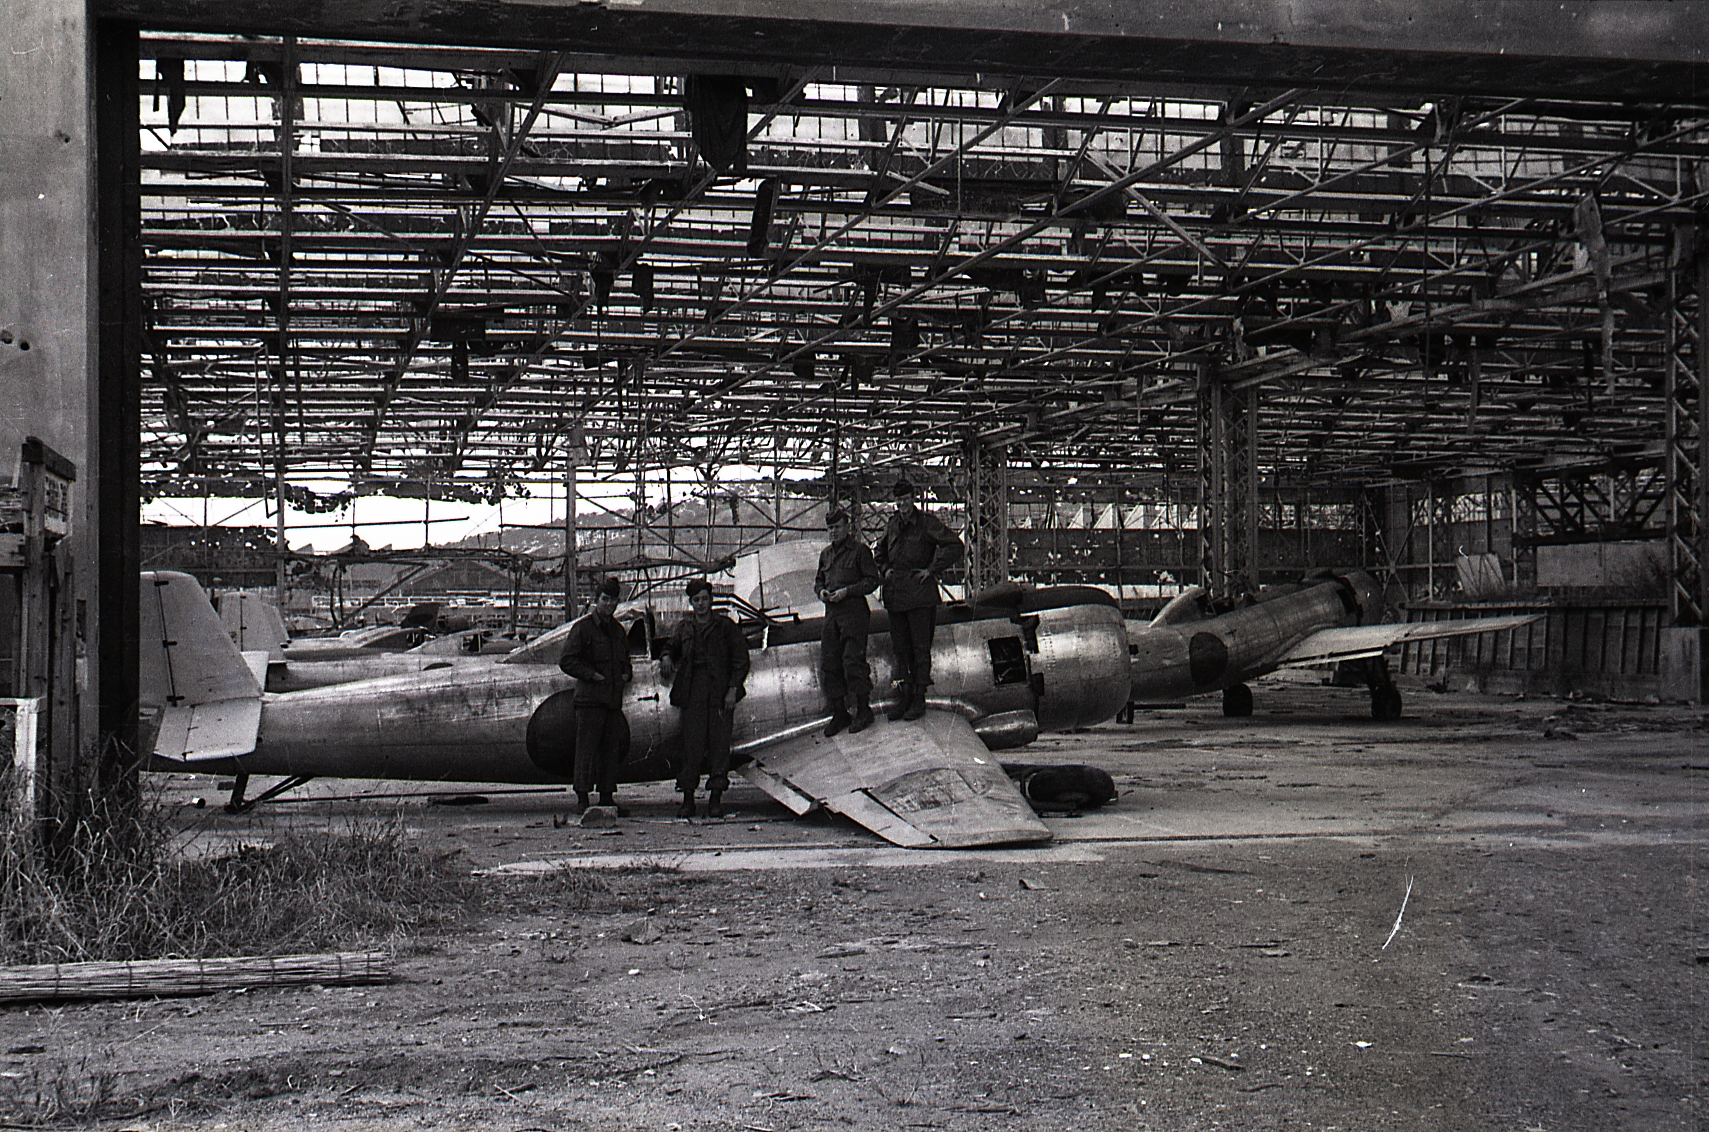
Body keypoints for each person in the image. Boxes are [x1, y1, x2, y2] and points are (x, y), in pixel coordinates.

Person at [874, 476, 964, 721]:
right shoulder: (892, 525)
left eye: (905, 499)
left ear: (913, 499)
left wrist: (932, 570)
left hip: (920, 595)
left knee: (920, 649)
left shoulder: (926, 523)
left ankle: (918, 698)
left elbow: (955, 545)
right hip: (895, 596)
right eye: (898, 500)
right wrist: (885, 570)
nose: (902, 504)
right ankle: (905, 697)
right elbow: (879, 552)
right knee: (900, 650)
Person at [662, 578, 751, 818]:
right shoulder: (685, 628)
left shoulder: (725, 627)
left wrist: (733, 689)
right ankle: (688, 799)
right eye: (696, 600)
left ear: (711, 600)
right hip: (693, 693)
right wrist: (667, 656)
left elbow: (741, 659)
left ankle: (715, 799)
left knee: (719, 747)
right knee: (691, 747)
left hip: (720, 693)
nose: (701, 604)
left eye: (704, 599)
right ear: (691, 603)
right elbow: (671, 646)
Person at [557, 576, 633, 814]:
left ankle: (607, 798)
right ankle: (582, 798)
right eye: (605, 599)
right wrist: (592, 676)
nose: (609, 604)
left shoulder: (618, 631)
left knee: (610, 751)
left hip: (611, 701)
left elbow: (625, 661)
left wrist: (626, 674)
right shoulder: (583, 628)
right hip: (589, 701)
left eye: (613, 601)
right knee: (586, 751)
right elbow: (567, 661)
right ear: (596, 601)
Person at [815, 505, 881, 737]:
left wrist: (848, 591)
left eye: (837, 527)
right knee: (830, 663)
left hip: (854, 614)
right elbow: (818, 581)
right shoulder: (826, 555)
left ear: (847, 527)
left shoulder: (860, 551)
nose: (833, 532)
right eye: (830, 528)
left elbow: (872, 580)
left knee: (853, 662)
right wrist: (822, 592)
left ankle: (864, 710)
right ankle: (840, 713)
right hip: (832, 614)